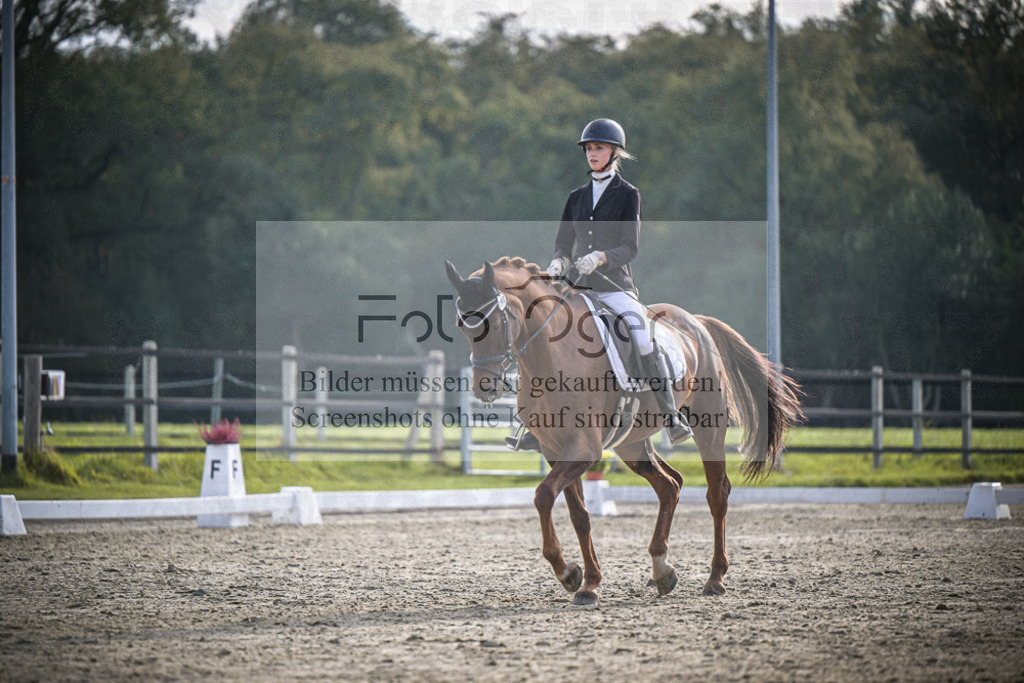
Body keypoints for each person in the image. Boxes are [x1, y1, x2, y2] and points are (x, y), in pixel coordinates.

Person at [508, 118, 692, 451]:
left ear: (614, 152)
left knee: (642, 335)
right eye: (589, 148)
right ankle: (535, 425)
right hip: (577, 289)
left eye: (599, 148)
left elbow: (630, 247)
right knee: (545, 335)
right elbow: (564, 242)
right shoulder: (576, 197)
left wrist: (601, 257)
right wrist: (558, 262)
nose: (592, 153)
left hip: (615, 288)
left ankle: (670, 415)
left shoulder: (627, 195)